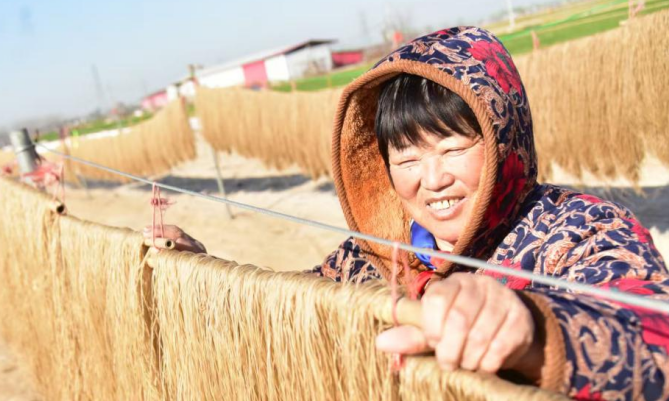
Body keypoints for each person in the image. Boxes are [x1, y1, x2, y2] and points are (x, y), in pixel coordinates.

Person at [144, 27, 669, 399]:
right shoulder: (376, 253)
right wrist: (201, 268)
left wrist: (532, 332)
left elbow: (654, 344)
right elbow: (292, 307)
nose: (432, 179)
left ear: (504, 135)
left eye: (454, 147)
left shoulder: (581, 230)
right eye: (407, 158)